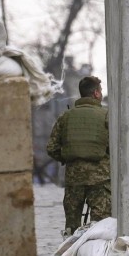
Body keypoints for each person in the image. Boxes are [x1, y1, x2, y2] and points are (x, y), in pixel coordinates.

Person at [47, 75, 111, 236]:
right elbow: (114, 146)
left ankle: (71, 249)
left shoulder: (65, 116)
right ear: (96, 94)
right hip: (100, 179)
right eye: (101, 91)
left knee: (72, 226)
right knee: (102, 225)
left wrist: (68, 158)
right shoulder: (106, 115)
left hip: (74, 178)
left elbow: (52, 147)